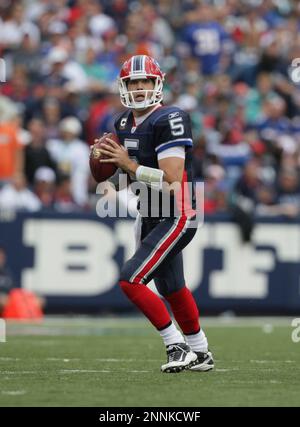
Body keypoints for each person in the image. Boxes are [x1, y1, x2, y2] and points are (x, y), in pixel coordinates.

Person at [96, 55, 214, 373]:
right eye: (132, 82)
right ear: (123, 87)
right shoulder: (123, 123)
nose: (137, 88)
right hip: (148, 211)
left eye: (143, 81)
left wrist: (128, 164)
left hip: (176, 212)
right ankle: (201, 352)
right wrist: (104, 171)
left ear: (156, 84)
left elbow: (172, 178)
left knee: (130, 280)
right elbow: (128, 175)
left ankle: (175, 345)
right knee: (172, 288)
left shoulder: (171, 118)